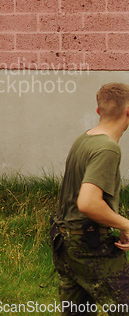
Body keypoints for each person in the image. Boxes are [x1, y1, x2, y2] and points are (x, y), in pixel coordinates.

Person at [50, 83, 129, 315]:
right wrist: (126, 224)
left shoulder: (84, 139)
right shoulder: (107, 149)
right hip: (88, 247)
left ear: (98, 111)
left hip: (65, 243)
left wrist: (116, 223)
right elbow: (87, 202)